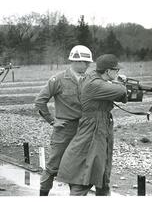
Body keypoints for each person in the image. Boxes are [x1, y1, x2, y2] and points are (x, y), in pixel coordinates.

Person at [57, 54, 128, 196]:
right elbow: (121, 91)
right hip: (93, 128)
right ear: (108, 71)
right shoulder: (94, 84)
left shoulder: (95, 77)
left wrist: (114, 83)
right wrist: (120, 82)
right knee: (87, 172)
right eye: (116, 71)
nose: (118, 73)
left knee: (102, 171)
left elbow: (120, 97)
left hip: (101, 125)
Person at [34, 45, 93, 196]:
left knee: (79, 166)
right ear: (75, 61)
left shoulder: (90, 79)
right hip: (64, 129)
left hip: (83, 130)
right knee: (53, 165)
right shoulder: (58, 79)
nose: (87, 65)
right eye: (84, 62)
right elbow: (40, 101)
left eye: (88, 63)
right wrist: (52, 121)